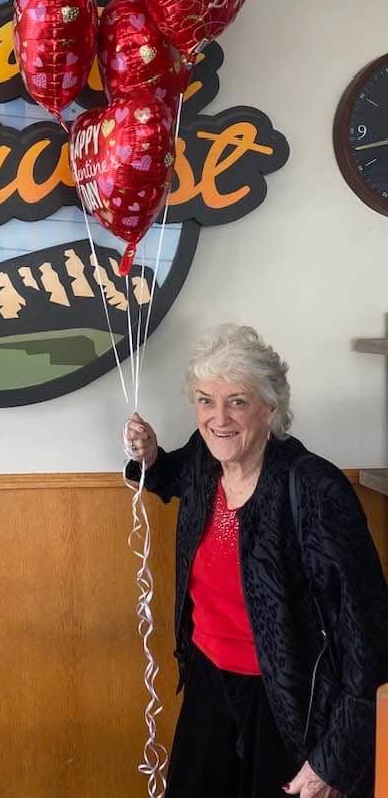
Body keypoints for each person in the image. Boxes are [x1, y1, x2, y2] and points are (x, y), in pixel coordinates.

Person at [124, 324, 388, 798]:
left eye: (237, 401)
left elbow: (368, 634)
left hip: (287, 702)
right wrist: (148, 456)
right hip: (208, 680)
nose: (218, 417)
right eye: (205, 400)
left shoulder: (316, 490)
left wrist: (334, 759)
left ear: (270, 407)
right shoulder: (205, 463)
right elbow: (170, 476)